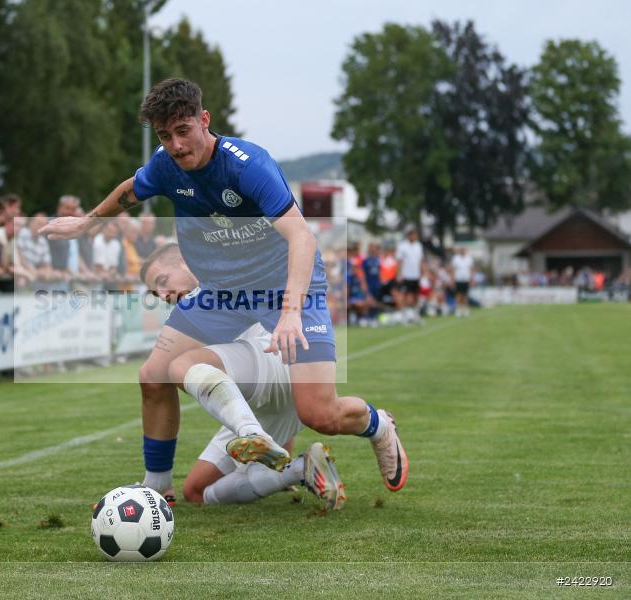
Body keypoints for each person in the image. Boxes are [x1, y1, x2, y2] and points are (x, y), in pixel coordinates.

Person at [41, 78, 408, 499]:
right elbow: (131, 190)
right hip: (223, 292)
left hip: (283, 288)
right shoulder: (165, 165)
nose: (176, 145)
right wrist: (87, 222)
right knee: (153, 375)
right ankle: (156, 490)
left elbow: (302, 238)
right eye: (165, 135)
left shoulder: (247, 165)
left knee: (319, 414)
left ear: (204, 120)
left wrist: (290, 312)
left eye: (183, 131)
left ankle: (379, 425)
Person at [143, 244, 345, 509]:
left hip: (275, 375)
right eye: (155, 292)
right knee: (195, 491)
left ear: (184, 260)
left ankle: (280, 460)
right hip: (287, 387)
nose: (162, 294)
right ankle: (298, 468)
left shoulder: (209, 290)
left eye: (163, 281)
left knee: (171, 370)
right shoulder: (222, 279)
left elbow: (155, 374)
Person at [396, 228, 423, 324]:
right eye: (412, 235)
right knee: (405, 296)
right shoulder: (402, 246)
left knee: (416, 296)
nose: (414, 237)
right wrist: (399, 274)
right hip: (406, 275)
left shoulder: (418, 246)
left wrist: (421, 273)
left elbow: (420, 261)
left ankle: (416, 316)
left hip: (415, 275)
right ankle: (405, 316)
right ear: (409, 236)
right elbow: (399, 261)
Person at [451, 247, 474, 317]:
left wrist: (471, 279)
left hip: (466, 279)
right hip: (458, 279)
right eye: (462, 250)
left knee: (465, 294)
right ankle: (458, 309)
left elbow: (471, 269)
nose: (463, 252)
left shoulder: (469, 258)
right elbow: (453, 269)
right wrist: (453, 279)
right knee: (459, 294)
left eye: (464, 250)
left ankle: (464, 309)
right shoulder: (456, 258)